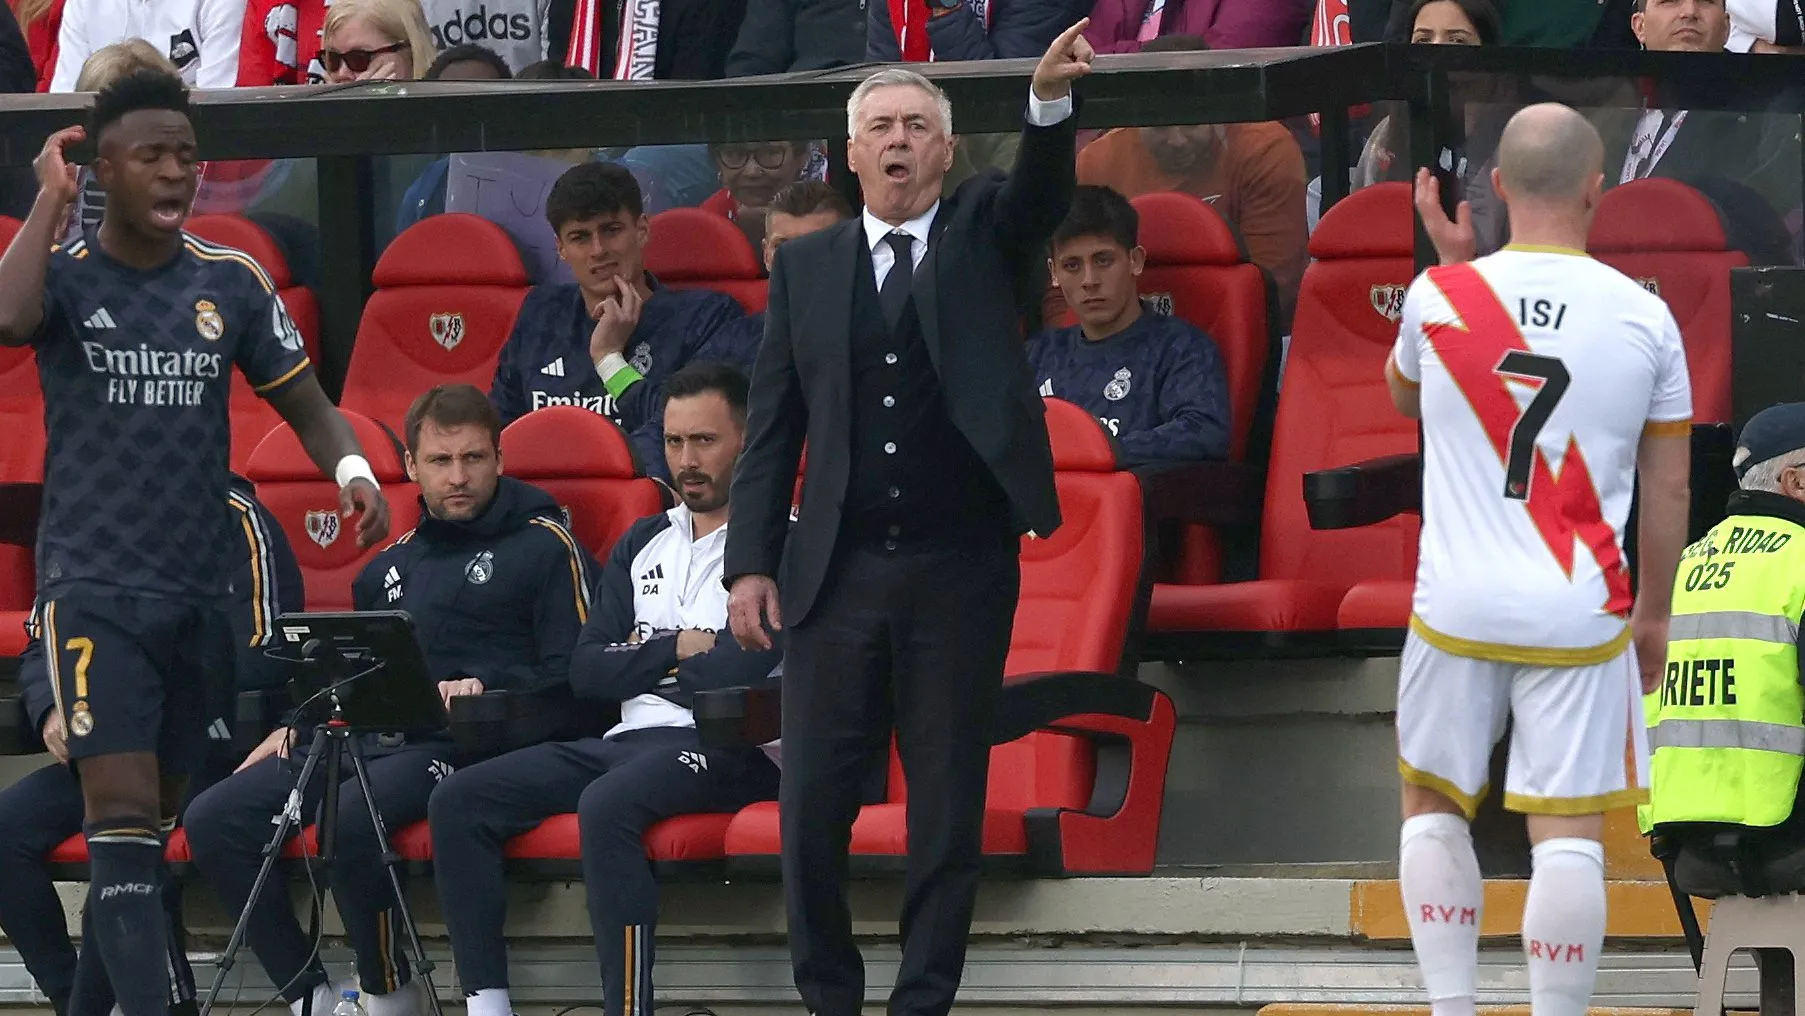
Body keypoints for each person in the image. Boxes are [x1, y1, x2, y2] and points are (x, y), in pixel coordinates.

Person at [0, 68, 391, 1016]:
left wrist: (354, 473)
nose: (176, 171)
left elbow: (305, 403)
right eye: (152, 155)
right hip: (95, 591)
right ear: (103, 167)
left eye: (187, 154)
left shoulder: (231, 281)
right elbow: (7, 319)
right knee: (123, 815)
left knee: (141, 838)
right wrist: (49, 201)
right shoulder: (67, 275)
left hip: (197, 595)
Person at [723, 21, 1093, 1016]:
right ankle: (828, 996)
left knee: (942, 808)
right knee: (809, 809)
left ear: (943, 146)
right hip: (833, 570)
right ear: (849, 154)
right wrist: (747, 561)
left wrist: (1047, 106)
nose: (896, 142)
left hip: (955, 566)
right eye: (878, 126)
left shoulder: (981, 233)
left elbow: (1037, 196)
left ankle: (922, 999)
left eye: (915, 126)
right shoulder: (805, 269)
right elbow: (770, 428)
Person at [1385, 103, 1693, 1016]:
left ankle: (1450, 1008)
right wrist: (1655, 614)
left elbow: (1403, 395)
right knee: (1567, 832)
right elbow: (1669, 493)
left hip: (1456, 606)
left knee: (1431, 805)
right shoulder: (1646, 318)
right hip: (1581, 602)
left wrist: (1450, 265)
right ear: (1600, 189)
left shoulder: (1439, 301)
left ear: (1501, 186)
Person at [183, 383, 595, 1016]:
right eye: (440, 461)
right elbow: (357, 673)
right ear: (410, 467)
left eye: (473, 459)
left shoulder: (546, 545)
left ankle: (386, 991)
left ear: (500, 459)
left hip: (473, 744)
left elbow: (577, 681)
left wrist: (487, 688)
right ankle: (311, 1000)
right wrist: (305, 719)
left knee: (350, 817)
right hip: (368, 737)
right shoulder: (384, 569)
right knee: (214, 818)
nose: (458, 477)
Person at [429, 361, 782, 1016]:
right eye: (674, 443)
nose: (685, 460)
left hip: (735, 748)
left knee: (606, 802)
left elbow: (734, 674)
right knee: (459, 798)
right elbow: (588, 673)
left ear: (750, 438)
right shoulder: (643, 540)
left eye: (703, 441)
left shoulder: (783, 543)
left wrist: (640, 660)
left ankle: (627, 1008)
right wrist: (678, 646)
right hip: (625, 738)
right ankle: (486, 1005)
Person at [0, 474, 302, 1016]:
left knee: (123, 869)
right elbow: (40, 643)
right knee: (4, 831)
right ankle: (71, 995)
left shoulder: (234, 517)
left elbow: (267, 651)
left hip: (209, 748)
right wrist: (52, 708)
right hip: (106, 752)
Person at [486, 161, 747, 479]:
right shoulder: (541, 313)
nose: (598, 250)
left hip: (647, 508)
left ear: (641, 230)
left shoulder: (705, 318)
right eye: (580, 237)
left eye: (611, 230)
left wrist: (609, 359)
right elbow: (499, 429)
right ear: (561, 248)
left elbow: (684, 434)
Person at [1641, 402, 1805, 849]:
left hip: (1679, 831)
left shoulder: (1684, 563)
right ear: (1795, 481)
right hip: (1783, 827)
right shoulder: (1800, 561)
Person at [1028, 184, 1230, 466]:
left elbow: (1204, 431)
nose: (1089, 280)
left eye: (1103, 260)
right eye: (1072, 265)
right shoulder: (1037, 355)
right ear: (1054, 273)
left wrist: (1099, 448)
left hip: (1136, 504)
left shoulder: (1182, 349)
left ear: (1135, 261)